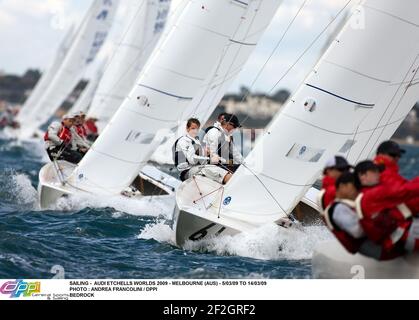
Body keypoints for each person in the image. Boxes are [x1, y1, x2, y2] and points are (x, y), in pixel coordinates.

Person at [324, 170, 419, 260]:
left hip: (383, 241)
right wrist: (375, 220)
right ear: (342, 186)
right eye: (354, 186)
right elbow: (357, 232)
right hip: (378, 248)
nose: (357, 189)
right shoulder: (338, 209)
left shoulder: (350, 203)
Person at [173, 118, 232, 184]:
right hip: (187, 171)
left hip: (197, 168)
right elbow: (191, 159)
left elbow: (202, 155)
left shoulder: (196, 141)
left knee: (222, 169)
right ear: (187, 128)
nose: (195, 131)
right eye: (193, 128)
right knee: (221, 173)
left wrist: (214, 156)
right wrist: (209, 159)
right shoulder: (183, 141)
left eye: (197, 129)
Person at [374, 140, 419, 214]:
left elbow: (403, 185)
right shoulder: (380, 170)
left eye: (398, 155)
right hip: (390, 214)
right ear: (380, 154)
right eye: (393, 154)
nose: (397, 158)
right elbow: (399, 190)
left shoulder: (389, 171)